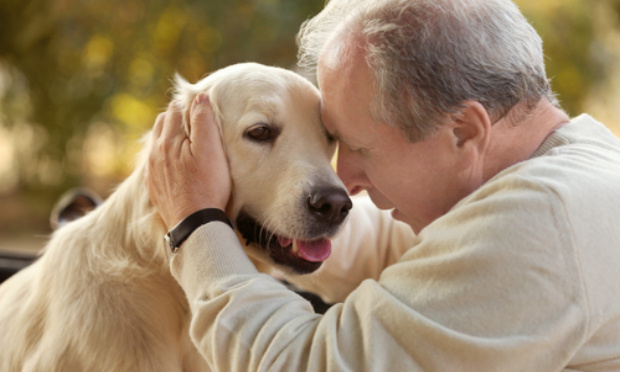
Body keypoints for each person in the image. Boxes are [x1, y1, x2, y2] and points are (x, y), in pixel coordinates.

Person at [146, 0, 620, 370]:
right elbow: (392, 246)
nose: (345, 180)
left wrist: (196, 225)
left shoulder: (542, 223)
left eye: (359, 148)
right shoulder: (573, 166)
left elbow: (309, 364)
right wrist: (257, 209)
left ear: (463, 132)